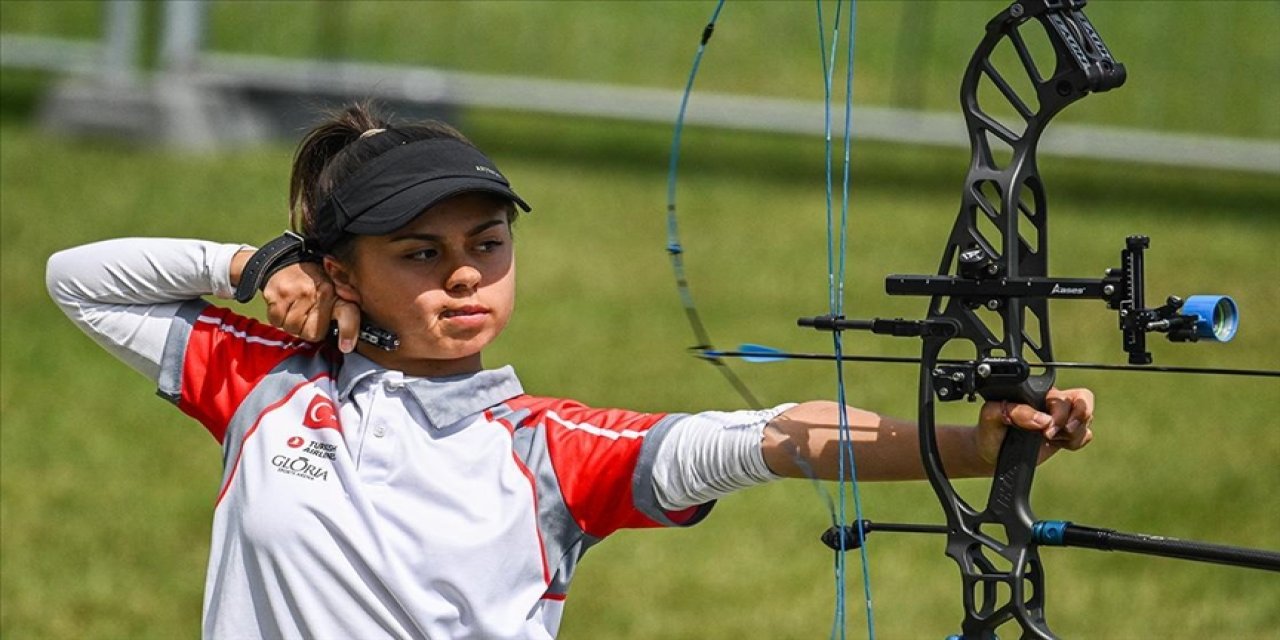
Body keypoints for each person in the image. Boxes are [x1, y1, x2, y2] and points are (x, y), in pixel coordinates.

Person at [45, 104, 1094, 640]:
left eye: (487, 244)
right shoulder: (268, 383)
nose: (464, 275)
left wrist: (965, 443)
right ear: (341, 270)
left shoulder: (547, 449)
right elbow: (77, 279)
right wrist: (250, 264)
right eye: (420, 252)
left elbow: (770, 435)